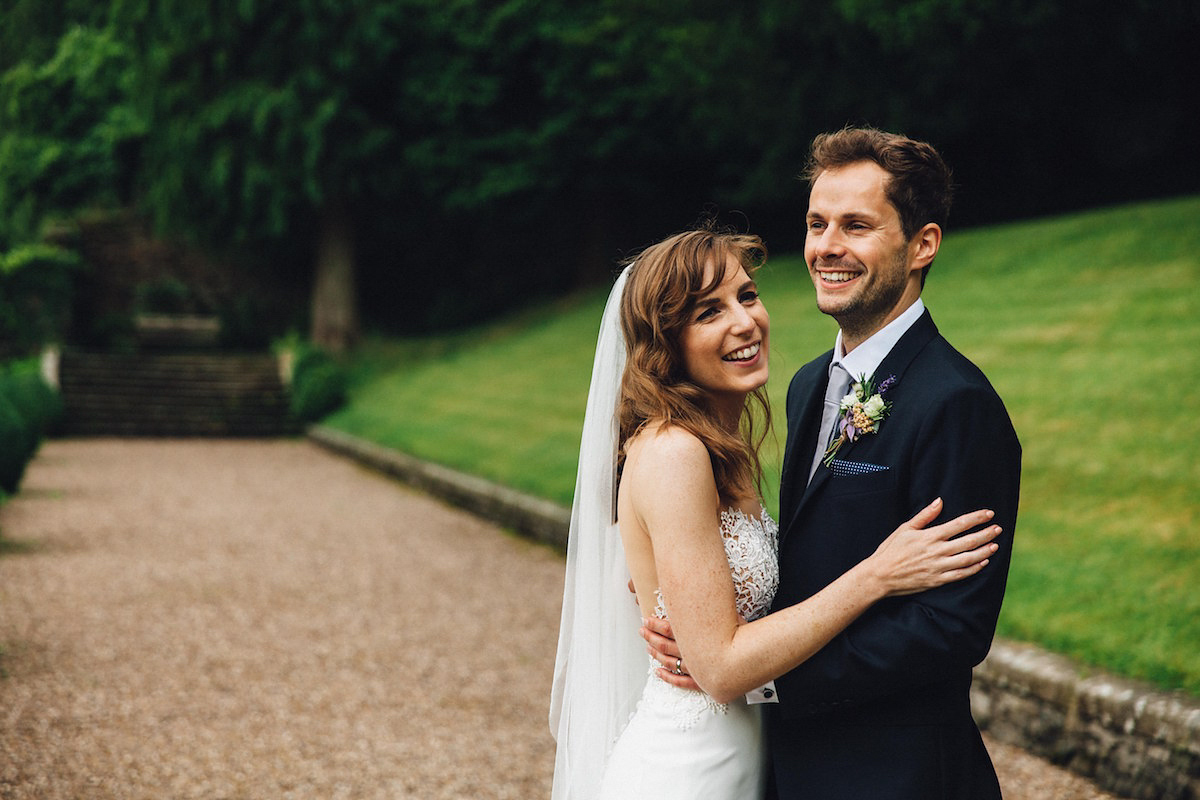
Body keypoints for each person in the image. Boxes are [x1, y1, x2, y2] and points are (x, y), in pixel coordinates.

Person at [550, 223, 1003, 799]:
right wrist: (876, 575)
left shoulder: (725, 446)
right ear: (666, 343)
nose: (744, 322)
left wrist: (703, 619)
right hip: (690, 771)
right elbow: (719, 669)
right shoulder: (675, 453)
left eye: (746, 295)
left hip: (758, 759)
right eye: (707, 313)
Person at [644, 129, 1023, 798]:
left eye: (856, 225)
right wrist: (694, 604)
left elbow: (949, 626)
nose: (826, 247)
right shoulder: (808, 384)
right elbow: (807, 554)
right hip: (787, 766)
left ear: (922, 245)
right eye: (817, 224)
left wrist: (759, 677)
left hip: (892, 772)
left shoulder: (956, 403)